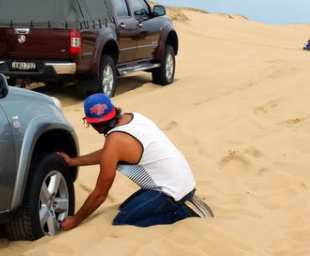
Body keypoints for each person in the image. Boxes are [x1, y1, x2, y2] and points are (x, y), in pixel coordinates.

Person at [58, 94, 213, 230]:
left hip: (170, 191)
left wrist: (75, 220)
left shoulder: (114, 140)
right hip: (181, 181)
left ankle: (184, 213)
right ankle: (184, 203)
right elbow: (109, 154)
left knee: (123, 222)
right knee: (123, 208)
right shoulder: (133, 117)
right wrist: (73, 161)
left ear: (89, 122)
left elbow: (100, 194)